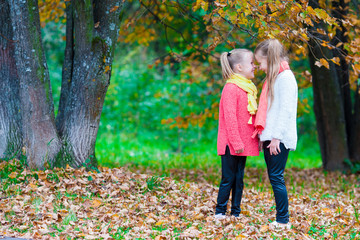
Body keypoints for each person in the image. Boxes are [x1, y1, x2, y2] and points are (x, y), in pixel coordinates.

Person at [253, 39, 298, 230]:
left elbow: (286, 110)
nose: (260, 67)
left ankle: (283, 220)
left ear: (269, 59)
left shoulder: (285, 78)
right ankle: (281, 219)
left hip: (278, 139)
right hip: (271, 138)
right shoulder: (276, 78)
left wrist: (276, 138)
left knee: (276, 177)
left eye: (260, 62)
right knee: (274, 177)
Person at [215, 49, 259, 219]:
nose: (255, 66)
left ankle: (236, 212)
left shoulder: (247, 88)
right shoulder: (231, 88)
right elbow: (230, 119)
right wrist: (236, 143)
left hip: (242, 144)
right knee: (228, 178)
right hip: (231, 144)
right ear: (239, 67)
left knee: (238, 180)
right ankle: (220, 211)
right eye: (252, 63)